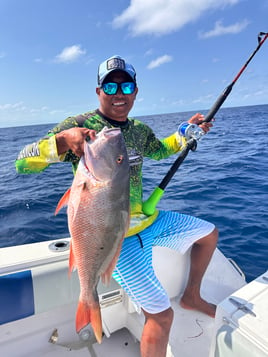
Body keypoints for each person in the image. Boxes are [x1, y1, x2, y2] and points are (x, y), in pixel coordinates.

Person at [16, 55, 218, 357]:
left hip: (147, 220)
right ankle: (90, 298)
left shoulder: (137, 129)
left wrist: (183, 135)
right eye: (110, 87)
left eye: (126, 86)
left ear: (136, 92)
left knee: (209, 234)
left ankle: (191, 295)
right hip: (114, 239)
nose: (119, 94)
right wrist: (59, 142)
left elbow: (160, 150)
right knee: (162, 316)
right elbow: (22, 163)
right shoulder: (79, 126)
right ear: (99, 91)